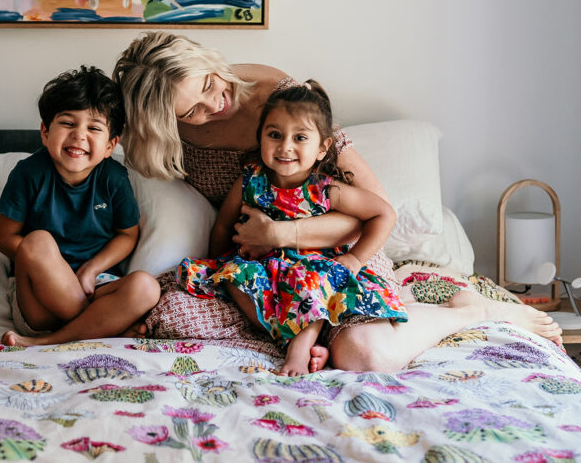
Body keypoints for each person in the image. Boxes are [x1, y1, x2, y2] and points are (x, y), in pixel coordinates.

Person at [113, 31, 562, 371]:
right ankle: (302, 339)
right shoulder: (166, 134)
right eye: (191, 111)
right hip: (257, 270)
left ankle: (467, 311)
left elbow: (374, 208)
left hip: (338, 252)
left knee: (363, 355)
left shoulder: (281, 100)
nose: (216, 103)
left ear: (209, 62)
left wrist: (280, 233)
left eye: (210, 82)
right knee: (167, 317)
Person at [177, 81, 407, 375]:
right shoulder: (251, 180)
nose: (285, 147)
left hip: (313, 269)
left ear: (323, 148)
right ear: (260, 137)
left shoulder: (325, 189)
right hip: (265, 268)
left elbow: (383, 213)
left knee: (311, 284)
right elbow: (223, 224)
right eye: (274, 135)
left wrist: (355, 259)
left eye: (300, 138)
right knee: (232, 277)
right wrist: (218, 260)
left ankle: (299, 348)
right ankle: (290, 336)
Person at [0, 66, 161, 347]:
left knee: (146, 286)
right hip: (39, 301)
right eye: (68, 123)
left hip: (94, 286)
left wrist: (90, 270)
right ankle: (101, 328)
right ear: (45, 133)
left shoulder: (114, 178)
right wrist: (51, 268)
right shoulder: (29, 173)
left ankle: (53, 341)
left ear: (110, 145)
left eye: (93, 128)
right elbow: (3, 236)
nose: (79, 135)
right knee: (37, 241)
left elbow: (127, 235)